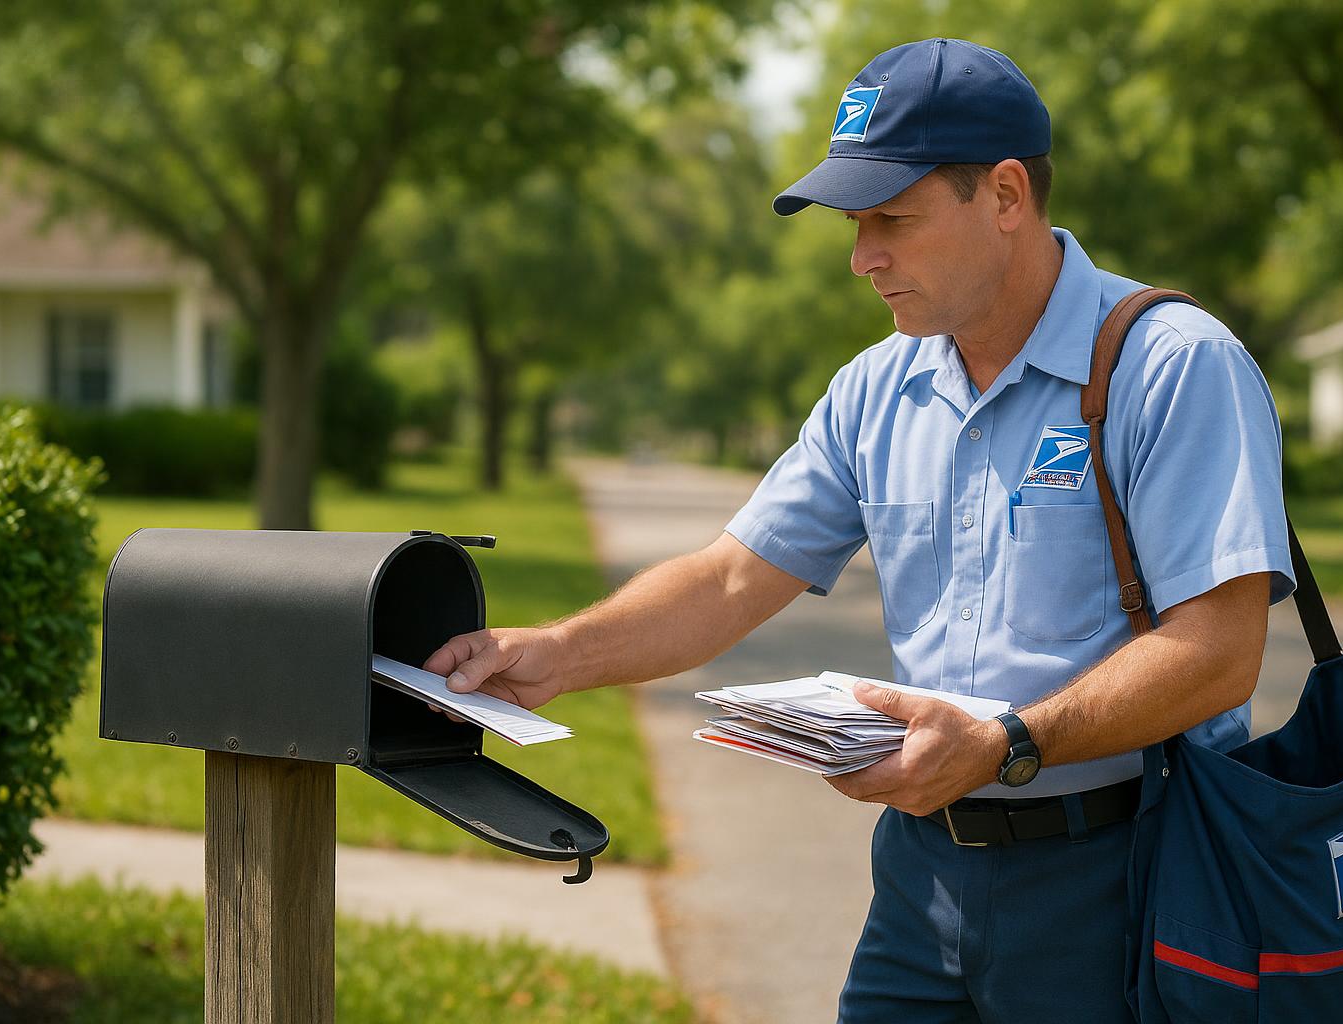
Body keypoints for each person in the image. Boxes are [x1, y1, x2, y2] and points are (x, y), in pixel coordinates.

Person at [426, 37, 1297, 1023]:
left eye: (893, 218)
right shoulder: (876, 389)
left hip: (1129, 874)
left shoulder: (1172, 366)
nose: (860, 258)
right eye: (854, 223)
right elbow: (727, 580)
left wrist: (1006, 740)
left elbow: (1221, 654)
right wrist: (554, 652)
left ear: (1005, 195)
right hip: (922, 879)